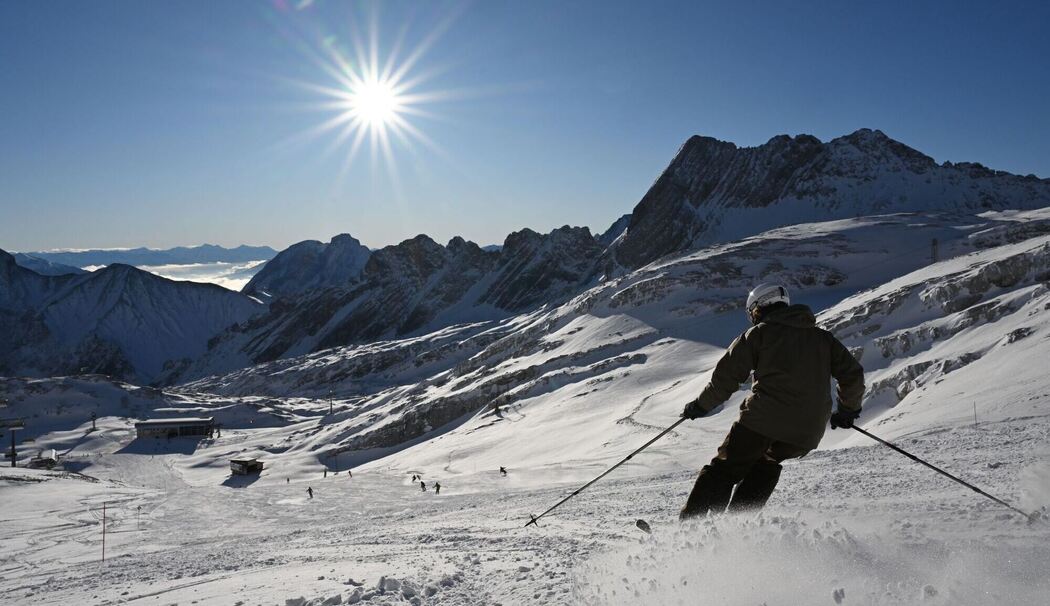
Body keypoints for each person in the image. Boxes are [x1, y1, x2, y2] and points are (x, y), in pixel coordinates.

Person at [678, 284, 865, 520]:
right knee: (765, 463)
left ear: (757, 309)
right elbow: (853, 375)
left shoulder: (759, 334)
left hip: (763, 420)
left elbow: (726, 378)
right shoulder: (823, 338)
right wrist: (848, 410)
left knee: (726, 468)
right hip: (807, 431)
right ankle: (737, 529)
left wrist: (700, 405)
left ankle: (691, 529)